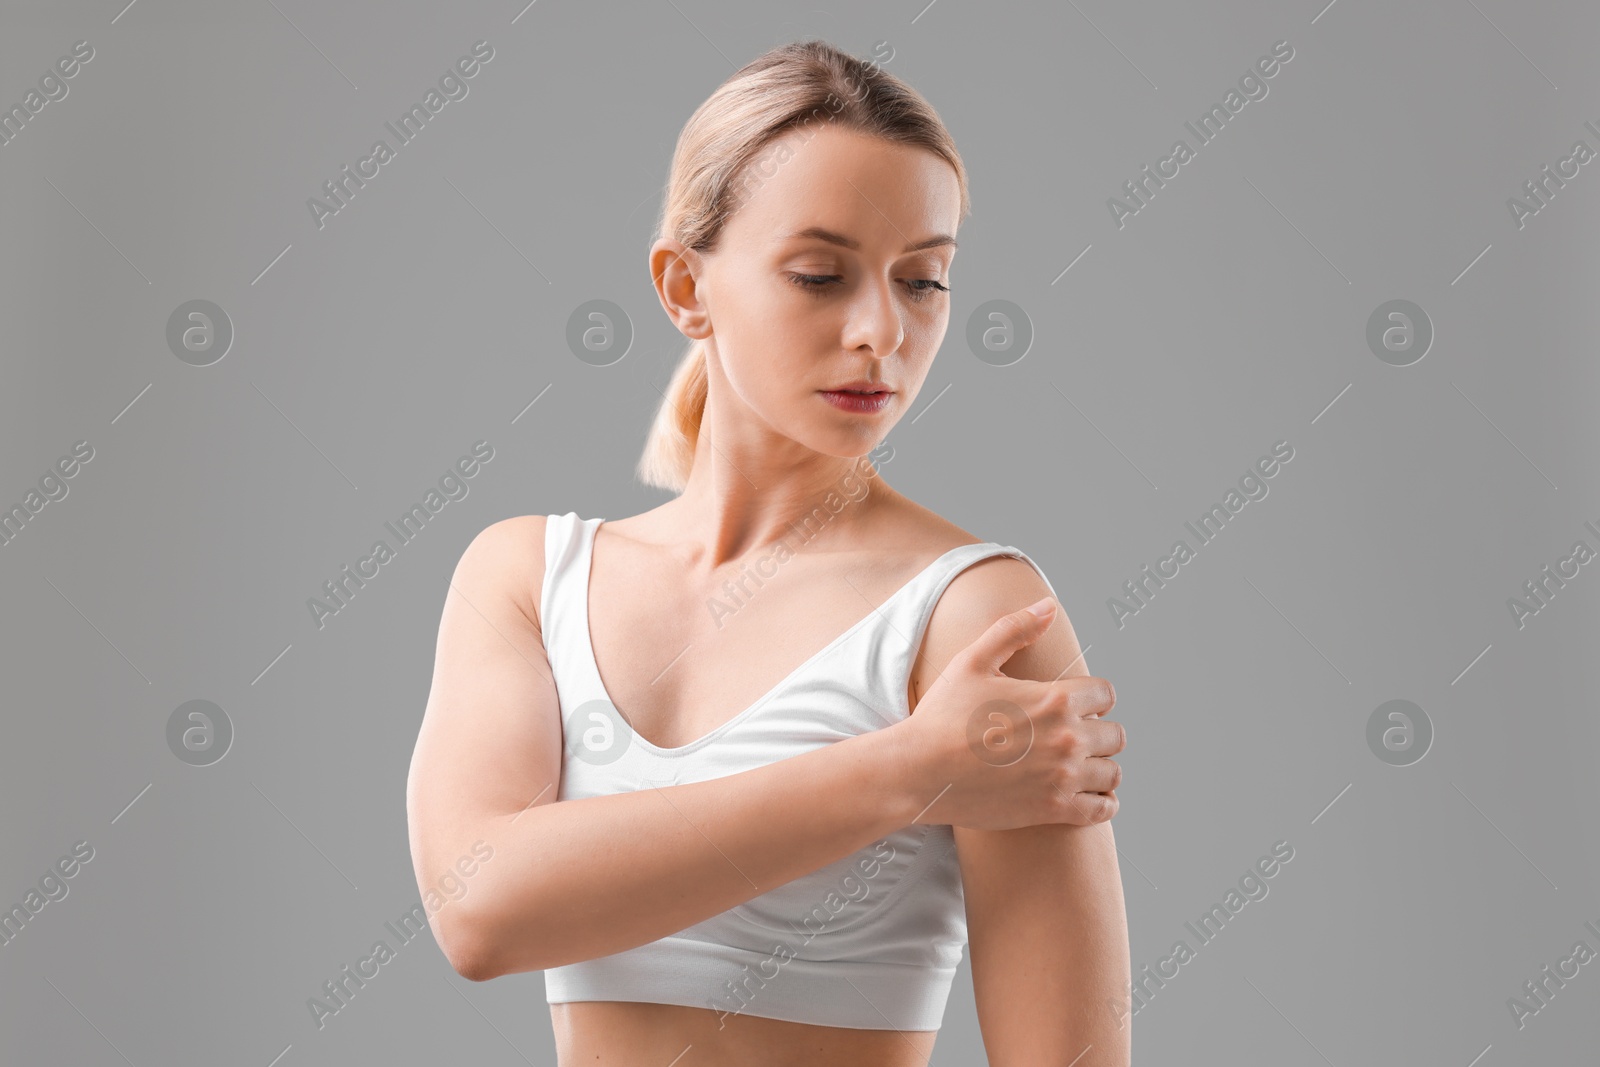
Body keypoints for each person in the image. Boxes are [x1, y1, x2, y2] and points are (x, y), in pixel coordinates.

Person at [407, 39, 1130, 1066]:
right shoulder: (527, 577)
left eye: (923, 281)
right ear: (683, 287)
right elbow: (478, 910)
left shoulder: (975, 617)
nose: (880, 328)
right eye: (819, 275)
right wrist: (910, 768)